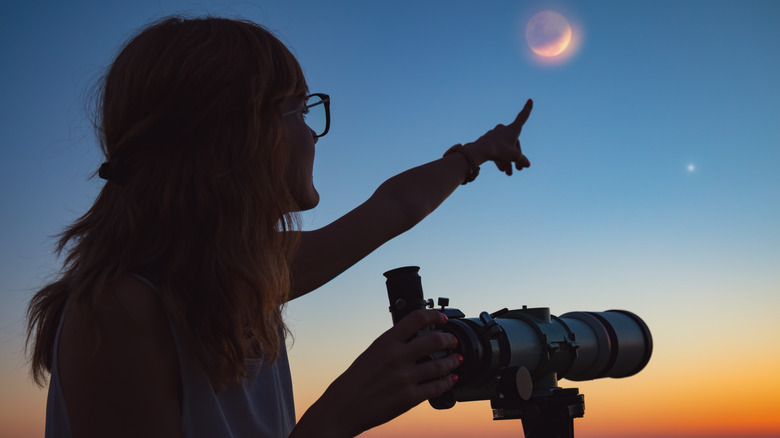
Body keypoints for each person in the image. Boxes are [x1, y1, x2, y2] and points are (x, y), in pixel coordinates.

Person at [26, 16, 533, 438]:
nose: (314, 132)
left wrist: (477, 153)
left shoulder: (240, 273)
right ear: (238, 133)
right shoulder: (116, 311)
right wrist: (337, 417)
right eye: (300, 108)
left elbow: (398, 205)